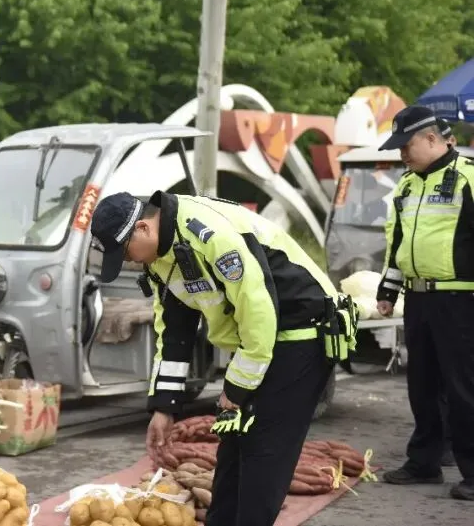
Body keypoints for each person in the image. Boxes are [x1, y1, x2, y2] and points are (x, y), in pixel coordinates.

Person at [90, 189, 354, 526]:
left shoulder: (210, 237)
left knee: (263, 450)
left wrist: (237, 388)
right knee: (233, 443)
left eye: (126, 252)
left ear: (143, 227)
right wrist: (164, 405)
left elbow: (259, 315)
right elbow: (174, 331)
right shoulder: (161, 258)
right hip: (258, 340)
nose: (129, 261)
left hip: (301, 333)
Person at [374, 105, 474, 500]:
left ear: (432, 139)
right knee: (422, 386)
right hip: (418, 299)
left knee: (464, 388)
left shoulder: (468, 177)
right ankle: (424, 463)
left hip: (461, 299)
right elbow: (397, 244)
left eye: (406, 145)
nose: (401, 154)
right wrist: (388, 290)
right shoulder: (406, 186)